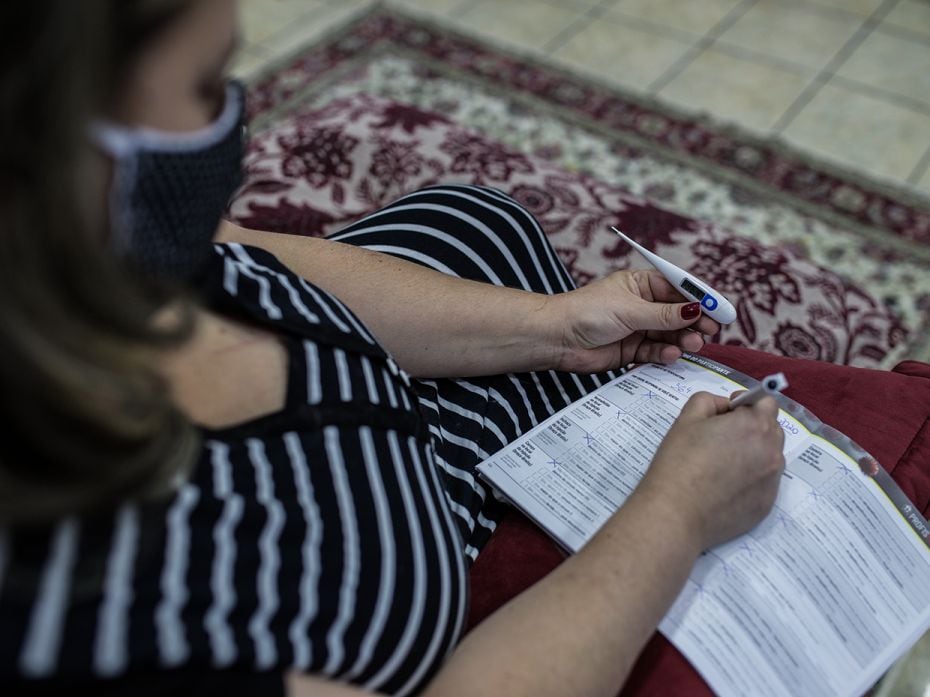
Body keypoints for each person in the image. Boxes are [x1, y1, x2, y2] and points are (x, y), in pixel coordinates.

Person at [0, 1, 785, 696]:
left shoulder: (92, 241)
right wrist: (675, 517)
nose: (238, 116)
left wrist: (558, 325)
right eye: (208, 87)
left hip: (368, 415)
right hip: (417, 545)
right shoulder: (78, 625)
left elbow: (227, 245)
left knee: (480, 219)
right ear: (50, 151)